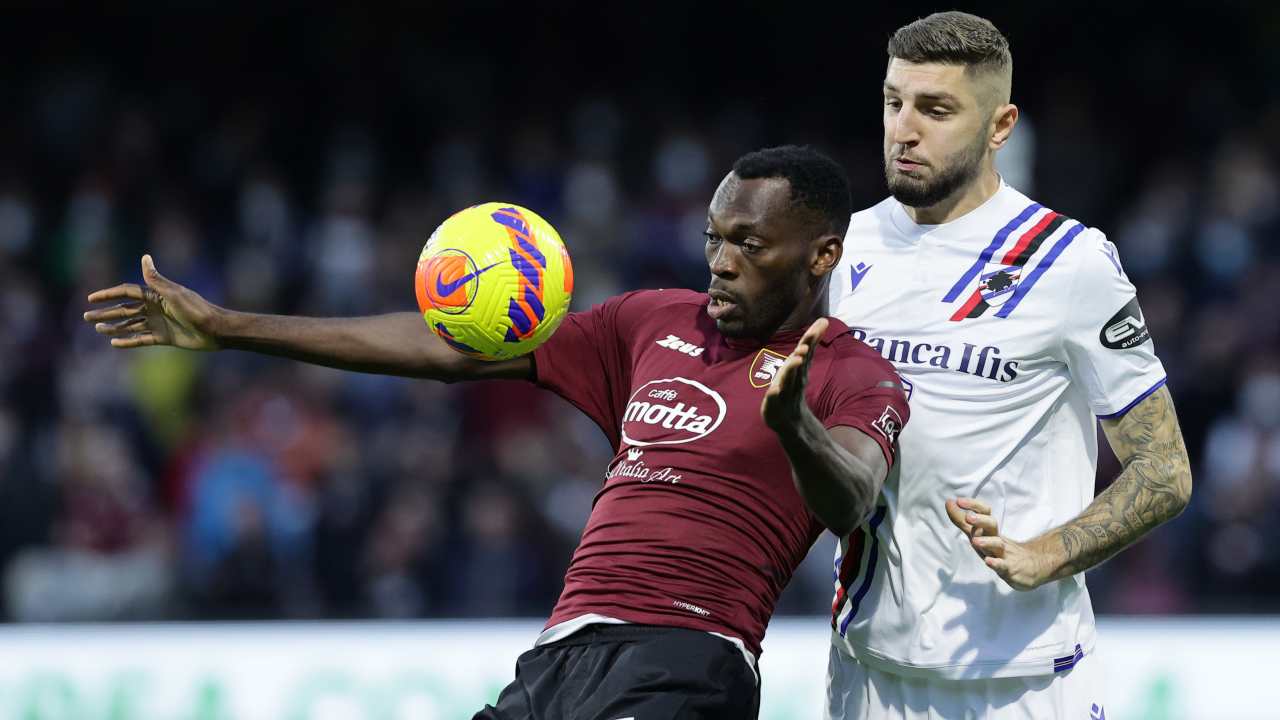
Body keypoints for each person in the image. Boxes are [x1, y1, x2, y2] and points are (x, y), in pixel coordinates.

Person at [84, 146, 910, 720]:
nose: (721, 262)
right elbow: (450, 351)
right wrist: (231, 327)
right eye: (714, 239)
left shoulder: (850, 372)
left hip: (689, 659)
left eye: (750, 244)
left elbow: (855, 493)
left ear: (820, 255)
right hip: (561, 655)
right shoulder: (651, 323)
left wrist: (796, 426)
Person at [824, 12, 1193, 719]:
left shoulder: (1071, 263)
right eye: (893, 101)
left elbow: (1164, 470)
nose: (904, 128)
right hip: (866, 675)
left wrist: (1049, 553)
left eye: (935, 109)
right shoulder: (841, 248)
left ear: (1001, 126)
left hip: (1022, 683)